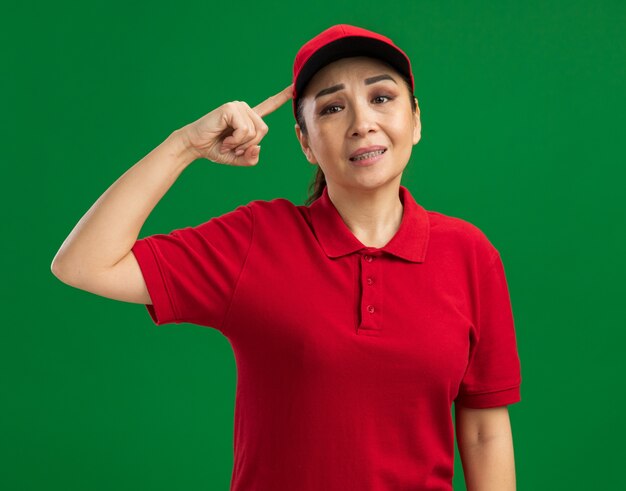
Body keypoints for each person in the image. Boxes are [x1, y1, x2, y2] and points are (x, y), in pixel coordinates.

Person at [51, 24, 522, 491]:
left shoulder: (470, 255)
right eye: (333, 107)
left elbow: (484, 431)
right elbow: (82, 263)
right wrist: (185, 146)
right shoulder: (258, 239)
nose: (362, 122)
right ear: (304, 141)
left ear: (416, 120)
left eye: (381, 98)